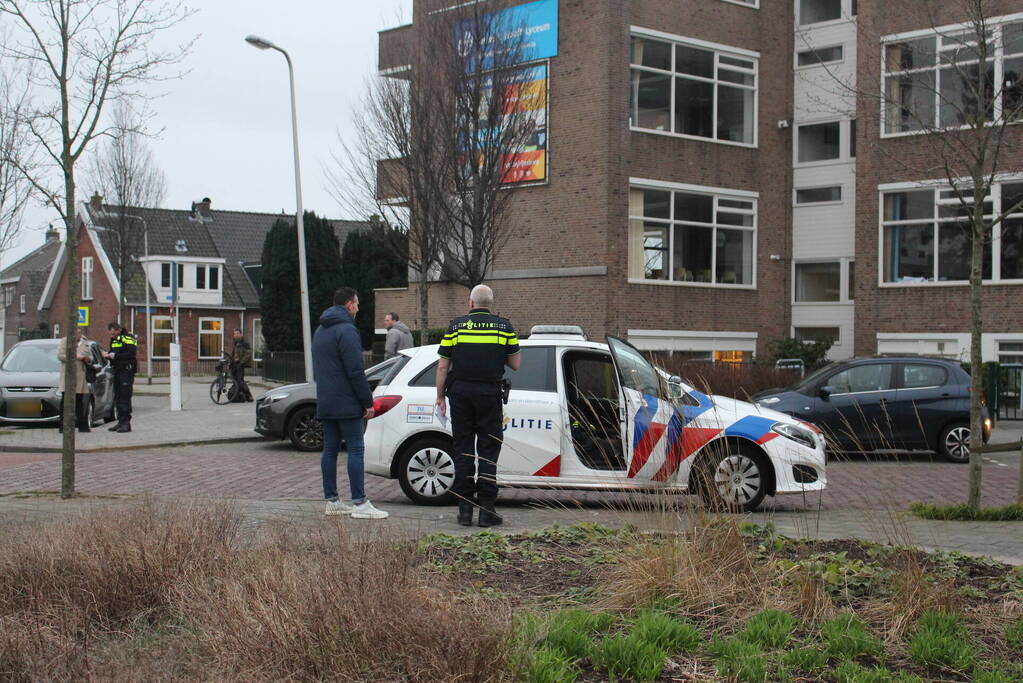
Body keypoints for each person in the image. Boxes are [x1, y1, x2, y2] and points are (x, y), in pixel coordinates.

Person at [435, 284, 519, 527]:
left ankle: (464, 510)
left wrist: (440, 396)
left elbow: (442, 366)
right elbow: (516, 363)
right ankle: (486, 510)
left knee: (463, 449)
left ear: (470, 303)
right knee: (488, 450)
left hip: (460, 394)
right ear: (489, 304)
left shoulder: (455, 327)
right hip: (489, 393)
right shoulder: (504, 327)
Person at [312, 287, 388, 520]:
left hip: (326, 399)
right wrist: (367, 401)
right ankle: (360, 502)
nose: (358, 308)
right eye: (356, 304)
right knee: (355, 448)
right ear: (348, 305)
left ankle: (332, 500)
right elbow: (355, 371)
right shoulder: (347, 331)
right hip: (346, 402)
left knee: (330, 450)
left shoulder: (320, 330)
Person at [57, 326, 94, 433]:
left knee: (80, 402)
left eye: (79, 333)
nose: (78, 335)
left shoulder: (85, 342)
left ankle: (82, 426)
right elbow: (60, 356)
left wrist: (88, 359)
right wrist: (75, 356)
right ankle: (63, 427)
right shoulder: (64, 341)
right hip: (68, 376)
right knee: (65, 402)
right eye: (75, 333)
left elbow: (90, 357)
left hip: (80, 376)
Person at [103, 321, 137, 433]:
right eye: (110, 334)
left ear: (118, 330)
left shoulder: (127, 338)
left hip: (126, 371)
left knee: (124, 397)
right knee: (117, 397)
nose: (111, 336)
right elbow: (114, 352)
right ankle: (120, 421)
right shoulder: (114, 339)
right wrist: (108, 355)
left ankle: (126, 423)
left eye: (113, 333)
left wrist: (116, 355)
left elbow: (132, 354)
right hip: (117, 370)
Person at [228, 328, 253, 402]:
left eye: (237, 333)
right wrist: (230, 361)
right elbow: (234, 354)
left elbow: (248, 354)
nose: (235, 335)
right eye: (234, 334)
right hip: (234, 364)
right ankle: (238, 395)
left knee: (240, 381)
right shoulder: (235, 342)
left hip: (240, 364)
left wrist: (242, 363)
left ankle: (249, 395)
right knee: (235, 380)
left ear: (240, 334)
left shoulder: (244, 343)